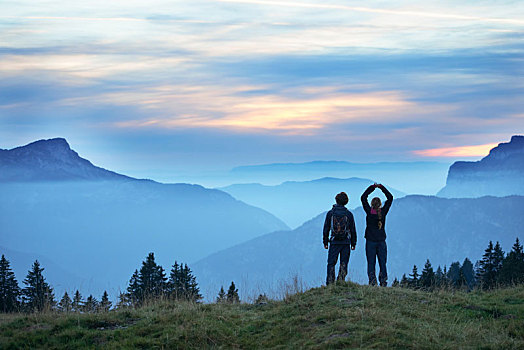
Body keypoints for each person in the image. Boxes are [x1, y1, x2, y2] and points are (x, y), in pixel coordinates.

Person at [361, 183, 393, 286]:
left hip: (370, 241)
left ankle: (372, 282)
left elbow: (363, 197)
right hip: (381, 241)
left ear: (371, 204)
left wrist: (372, 188)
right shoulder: (383, 212)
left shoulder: (369, 212)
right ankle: (383, 281)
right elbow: (390, 198)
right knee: (382, 263)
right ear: (380, 204)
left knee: (371, 263)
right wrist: (382, 188)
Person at [323, 192, 357, 285]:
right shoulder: (349, 214)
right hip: (346, 242)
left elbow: (326, 228)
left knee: (331, 263)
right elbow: (353, 229)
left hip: (334, 242)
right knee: (344, 263)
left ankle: (330, 283)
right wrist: (353, 243)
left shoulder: (330, 213)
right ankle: (341, 281)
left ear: (336, 200)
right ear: (346, 201)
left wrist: (325, 242)